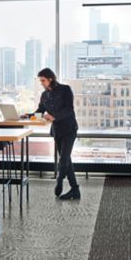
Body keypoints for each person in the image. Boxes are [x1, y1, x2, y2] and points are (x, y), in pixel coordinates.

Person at [32, 67, 80, 201]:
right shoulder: (44, 95)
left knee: (64, 158)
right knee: (66, 159)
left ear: (50, 79)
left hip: (69, 129)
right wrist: (29, 115)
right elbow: (40, 110)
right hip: (57, 130)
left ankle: (59, 180)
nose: (41, 83)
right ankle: (75, 190)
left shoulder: (65, 89)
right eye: (40, 81)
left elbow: (69, 109)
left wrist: (54, 117)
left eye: (43, 80)